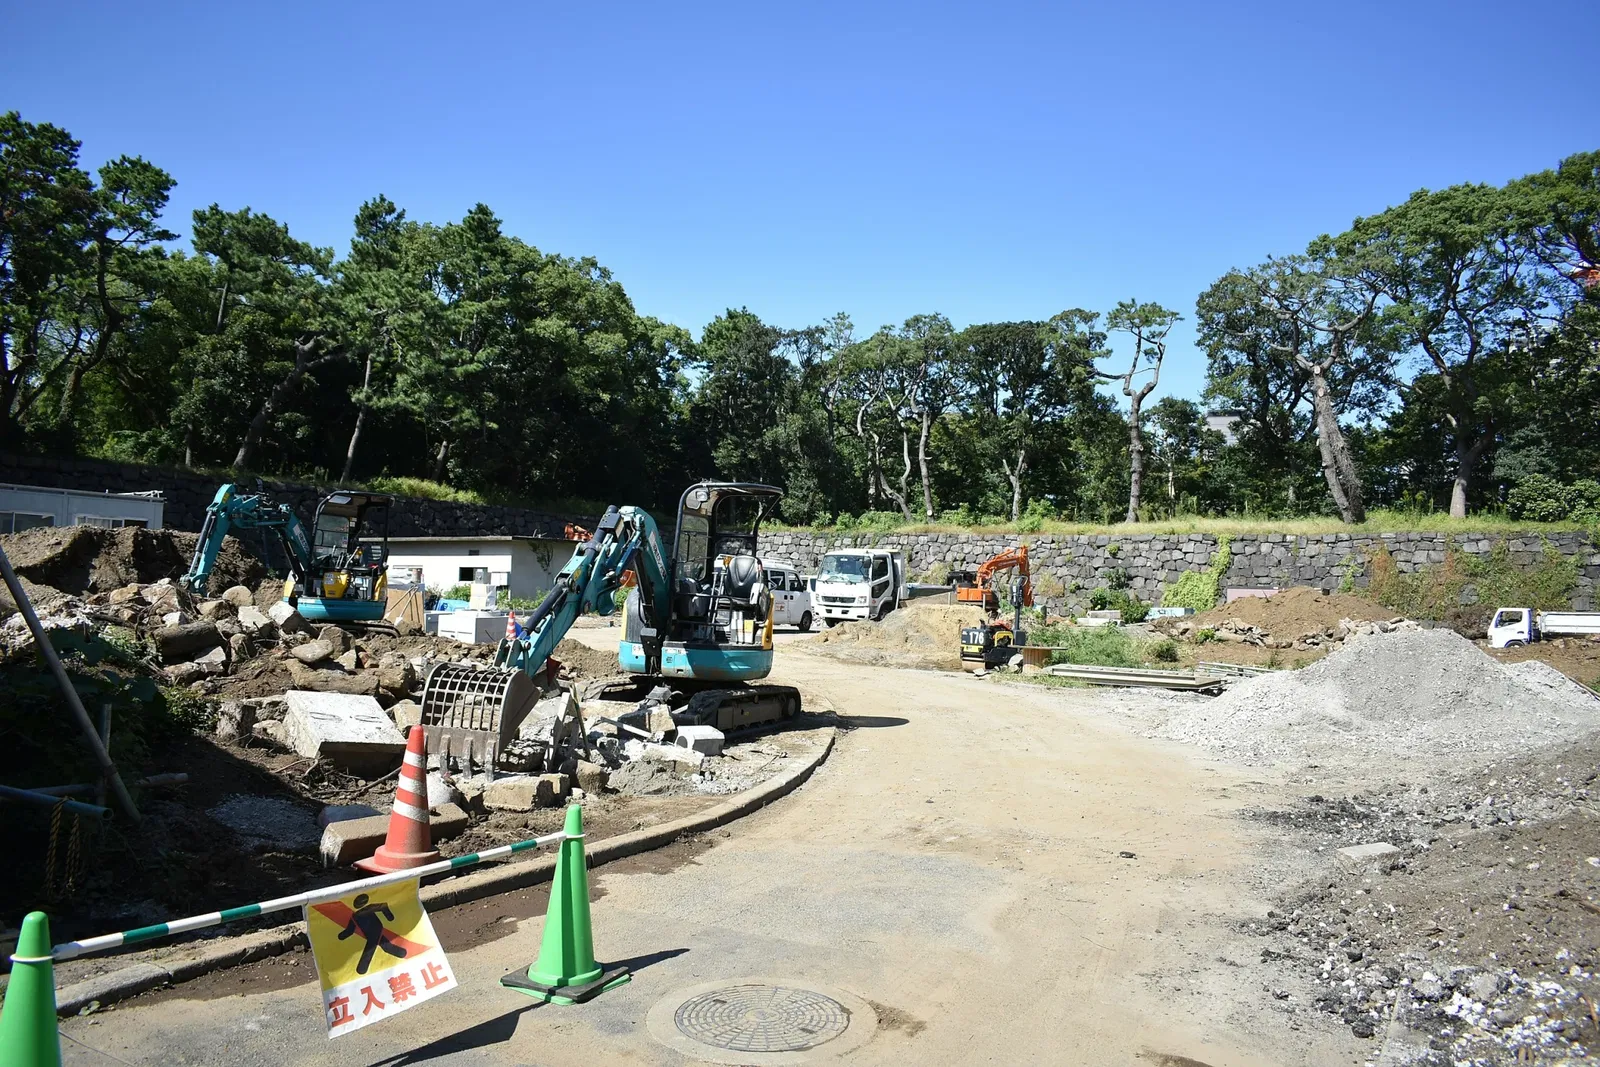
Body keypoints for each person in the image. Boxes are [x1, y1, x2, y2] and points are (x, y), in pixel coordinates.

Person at [338, 893, 410, 974]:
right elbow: (350, 929)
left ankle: (362, 969)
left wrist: (389, 916)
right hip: (371, 931)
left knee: (370, 948)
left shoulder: (361, 913)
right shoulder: (357, 915)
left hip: (375, 930)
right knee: (384, 945)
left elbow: (383, 906)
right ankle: (401, 952)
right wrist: (342, 935)